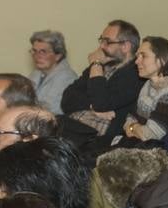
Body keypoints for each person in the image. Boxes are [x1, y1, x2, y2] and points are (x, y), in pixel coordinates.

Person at [58, 20, 145, 151]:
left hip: (97, 138)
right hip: (75, 126)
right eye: (101, 40)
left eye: (108, 42)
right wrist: (93, 108)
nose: (102, 46)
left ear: (126, 46)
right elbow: (67, 99)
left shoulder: (135, 74)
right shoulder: (101, 66)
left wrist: (96, 64)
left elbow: (101, 103)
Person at [116, 37, 168, 147]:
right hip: (139, 147)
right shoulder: (148, 85)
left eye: (144, 56)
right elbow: (129, 118)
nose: (137, 61)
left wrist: (132, 127)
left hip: (159, 155)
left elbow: (149, 135)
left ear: (162, 60)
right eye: (137, 56)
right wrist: (134, 127)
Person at [27, 30, 76, 114]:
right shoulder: (36, 73)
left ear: (58, 56)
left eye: (43, 52)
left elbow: (52, 110)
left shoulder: (67, 78)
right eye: (34, 51)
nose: (37, 56)